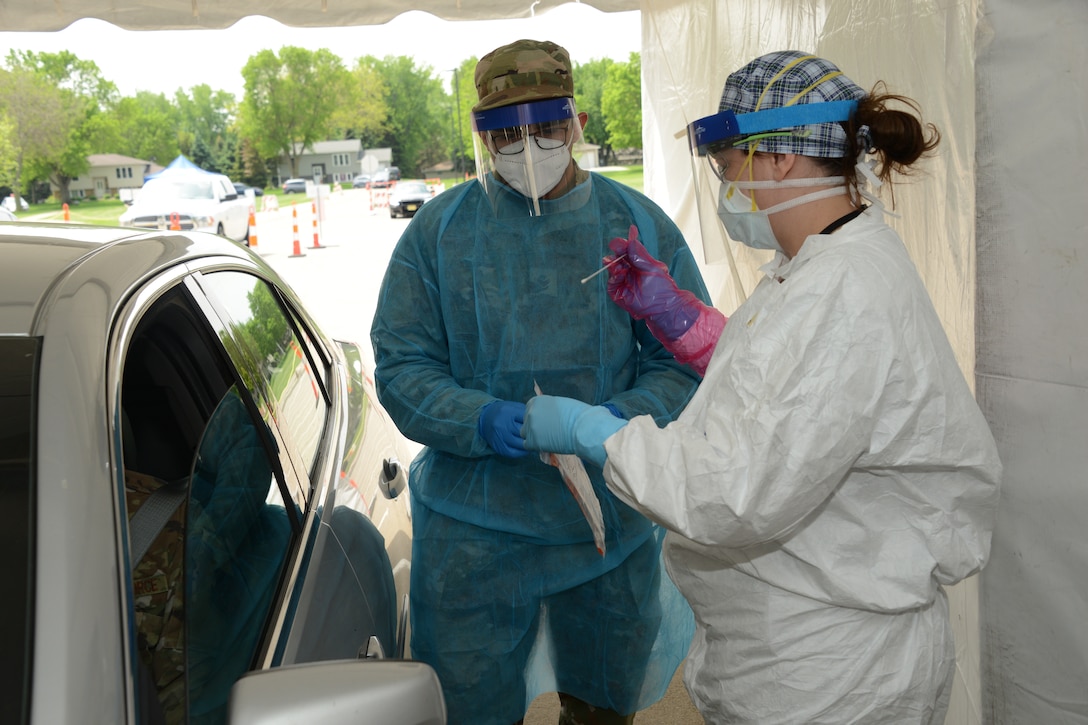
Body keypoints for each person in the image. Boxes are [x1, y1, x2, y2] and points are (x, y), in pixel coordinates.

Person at [522, 50, 1002, 724]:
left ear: (779, 158)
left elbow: (732, 489)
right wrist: (684, 320)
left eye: (728, 158)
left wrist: (594, 434)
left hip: (831, 675)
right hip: (801, 644)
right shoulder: (821, 264)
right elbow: (797, 393)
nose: (726, 180)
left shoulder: (843, 289)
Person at [370, 39, 712, 725]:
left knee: (601, 704)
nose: (528, 148)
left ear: (576, 122)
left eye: (546, 128)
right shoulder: (439, 233)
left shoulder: (634, 227)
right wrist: (478, 418)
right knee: (471, 704)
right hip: (475, 532)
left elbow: (683, 357)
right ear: (481, 135)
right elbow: (403, 364)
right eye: (506, 133)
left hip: (604, 528)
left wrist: (612, 421)